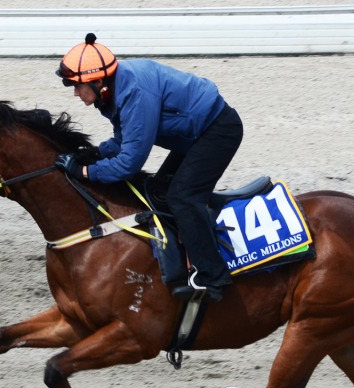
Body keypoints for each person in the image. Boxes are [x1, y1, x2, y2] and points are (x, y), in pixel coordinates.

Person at [54, 33, 243, 303]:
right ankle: (187, 252)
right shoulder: (113, 90)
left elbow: (129, 164)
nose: (74, 92)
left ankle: (214, 277)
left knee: (182, 196)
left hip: (218, 131)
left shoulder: (133, 92)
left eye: (76, 85)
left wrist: (84, 172)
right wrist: (94, 154)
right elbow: (125, 139)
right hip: (195, 136)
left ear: (97, 81)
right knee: (158, 191)